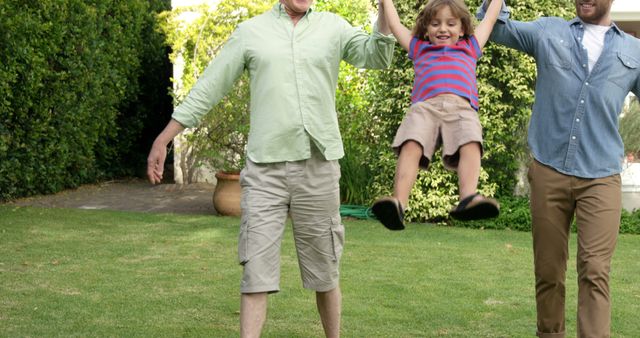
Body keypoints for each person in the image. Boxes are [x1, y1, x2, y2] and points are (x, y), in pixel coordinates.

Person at [146, 1, 395, 337]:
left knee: (326, 271)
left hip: (319, 168)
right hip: (265, 173)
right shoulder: (251, 33)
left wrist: (384, 8)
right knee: (256, 273)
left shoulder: (333, 27)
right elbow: (210, 87)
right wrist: (165, 138)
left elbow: (377, 56)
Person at [477, 0, 640, 336]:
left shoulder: (633, 50)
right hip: (549, 169)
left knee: (595, 270)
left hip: (601, 175)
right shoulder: (548, 31)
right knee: (549, 272)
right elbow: (493, 27)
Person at [371, 0, 502, 231]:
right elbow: (394, 24)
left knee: (471, 139)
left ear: (462, 29)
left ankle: (469, 198)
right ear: (426, 29)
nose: (443, 29)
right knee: (411, 142)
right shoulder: (418, 48)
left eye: (451, 24)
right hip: (425, 107)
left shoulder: (470, 46)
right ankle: (398, 203)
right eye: (435, 24)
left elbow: (490, 19)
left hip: (461, 107)